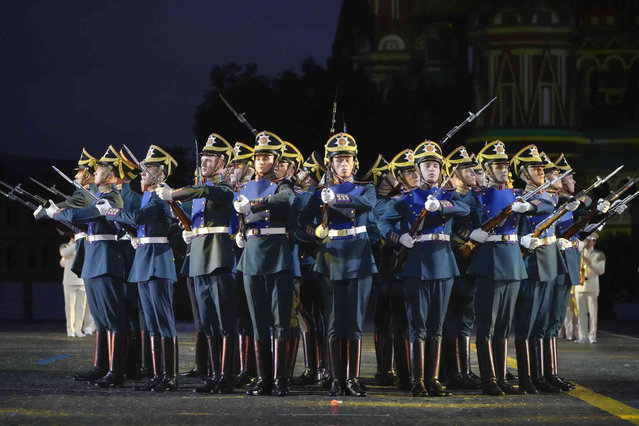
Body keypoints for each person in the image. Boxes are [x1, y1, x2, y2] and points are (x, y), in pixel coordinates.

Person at [465, 140, 550, 396]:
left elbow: (548, 205)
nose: (504, 170)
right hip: (489, 261)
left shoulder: (516, 196)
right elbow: (459, 217)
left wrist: (530, 206)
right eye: (498, 166)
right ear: (487, 170)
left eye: (505, 165)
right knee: (487, 325)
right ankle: (488, 378)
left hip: (512, 261)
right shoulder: (476, 196)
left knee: (504, 325)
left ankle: (501, 377)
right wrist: (471, 232)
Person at [157, 133, 237, 394]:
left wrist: (174, 193)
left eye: (210, 158)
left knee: (225, 322)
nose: (204, 162)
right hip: (199, 259)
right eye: (203, 158)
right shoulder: (201, 193)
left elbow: (202, 189)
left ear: (222, 164)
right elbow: (188, 213)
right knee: (209, 322)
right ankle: (214, 374)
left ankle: (227, 375)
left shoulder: (224, 188)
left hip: (218, 257)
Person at [299, 132, 377, 397]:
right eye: (338, 160)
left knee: (354, 321)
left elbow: (367, 204)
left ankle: (352, 378)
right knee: (333, 319)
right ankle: (335, 377)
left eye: (348, 159)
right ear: (330, 164)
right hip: (331, 256)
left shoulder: (365, 187)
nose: (344, 164)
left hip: (359, 257)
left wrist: (337, 199)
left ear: (355, 163)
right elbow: (302, 221)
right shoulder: (319, 192)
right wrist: (315, 232)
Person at [48, 145, 128, 388]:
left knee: (113, 319)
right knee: (101, 321)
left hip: (106, 260)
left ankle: (117, 370)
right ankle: (101, 366)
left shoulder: (112, 197)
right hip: (94, 260)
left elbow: (79, 215)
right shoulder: (98, 196)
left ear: (113, 173)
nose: (98, 169)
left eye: (103, 167)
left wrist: (60, 213)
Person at [104, 145, 179, 392]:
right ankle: (158, 374)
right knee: (153, 323)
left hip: (157, 260)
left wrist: (112, 212)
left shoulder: (159, 196)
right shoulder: (148, 195)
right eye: (143, 170)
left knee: (164, 321)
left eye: (148, 170)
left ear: (161, 174)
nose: (142, 174)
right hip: (145, 259)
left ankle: (170, 376)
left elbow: (137, 217)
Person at [234, 131, 296, 397]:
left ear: (275, 160)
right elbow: (239, 213)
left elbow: (287, 201)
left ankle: (281, 379)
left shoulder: (283, 185)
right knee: (258, 321)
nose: (261, 161)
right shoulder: (244, 188)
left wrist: (255, 204)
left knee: (281, 319)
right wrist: (239, 230)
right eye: (258, 157)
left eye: (267, 157)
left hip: (277, 255)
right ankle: (263, 379)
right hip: (252, 255)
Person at [575, 233, 605, 344]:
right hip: (580, 286)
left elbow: (601, 270)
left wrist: (590, 263)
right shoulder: (579, 253)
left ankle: (592, 335)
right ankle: (582, 335)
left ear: (594, 242)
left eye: (590, 240)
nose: (587, 242)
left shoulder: (598, 254)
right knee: (581, 313)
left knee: (593, 313)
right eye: (586, 240)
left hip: (592, 287)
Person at [59, 238, 91, 337]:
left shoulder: (84, 245)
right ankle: (70, 329)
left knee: (81, 308)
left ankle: (78, 329)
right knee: (70, 307)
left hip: (81, 281)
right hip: (69, 282)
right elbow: (64, 255)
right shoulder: (65, 246)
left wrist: (81, 243)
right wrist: (75, 243)